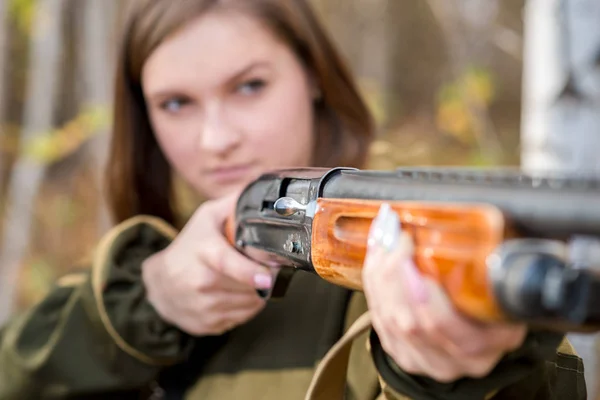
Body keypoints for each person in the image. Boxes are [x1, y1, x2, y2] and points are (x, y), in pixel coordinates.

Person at [0, 0, 586, 399]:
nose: (216, 138)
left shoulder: (417, 252)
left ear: (311, 76)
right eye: (177, 103)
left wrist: (443, 379)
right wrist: (152, 305)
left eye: (249, 85)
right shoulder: (136, 273)